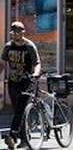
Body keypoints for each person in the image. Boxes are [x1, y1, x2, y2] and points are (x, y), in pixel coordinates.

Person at [1, 21, 41, 150]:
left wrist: (35, 74)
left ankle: (12, 136)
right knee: (18, 111)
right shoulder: (8, 46)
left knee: (20, 109)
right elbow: (2, 63)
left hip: (27, 81)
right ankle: (24, 139)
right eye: (13, 32)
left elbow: (37, 63)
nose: (15, 35)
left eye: (18, 32)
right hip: (13, 82)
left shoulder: (29, 46)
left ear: (23, 32)